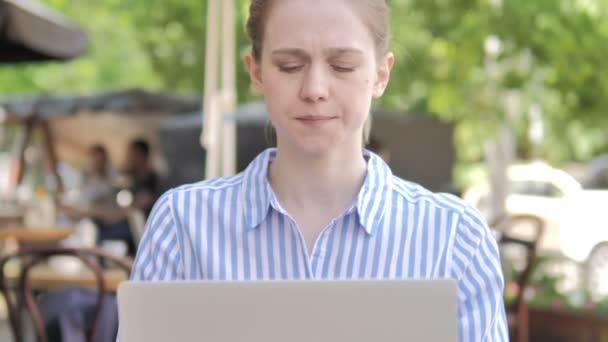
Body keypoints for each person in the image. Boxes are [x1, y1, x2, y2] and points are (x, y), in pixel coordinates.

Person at [130, 0, 508, 340]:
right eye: (290, 65)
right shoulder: (183, 225)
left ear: (380, 74)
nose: (314, 89)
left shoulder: (455, 237)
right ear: (256, 72)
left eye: (342, 65)